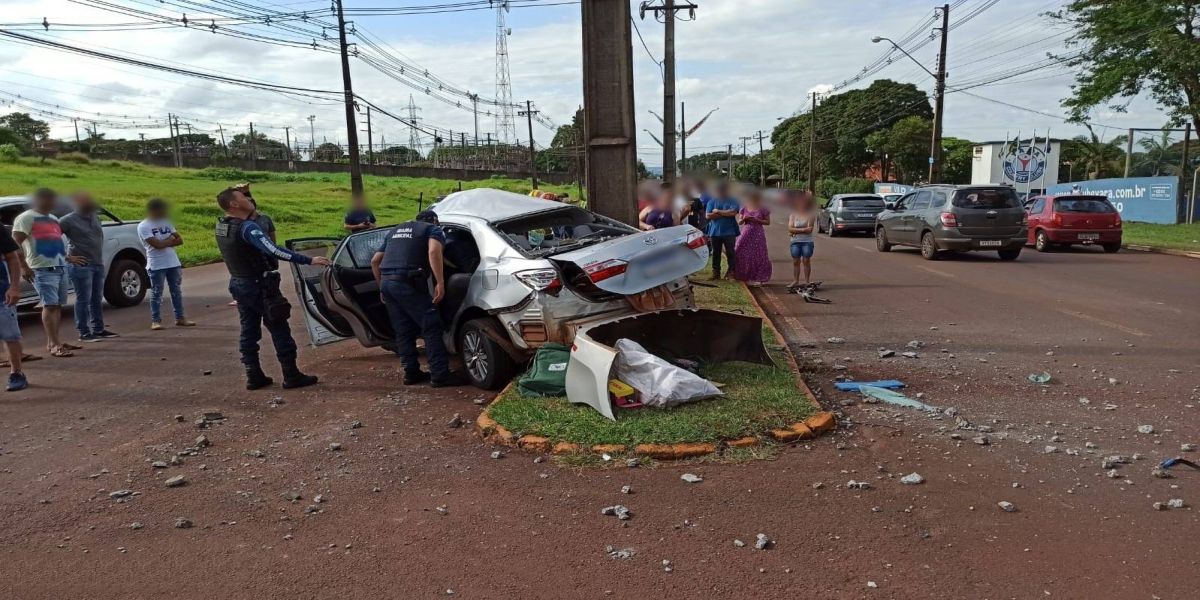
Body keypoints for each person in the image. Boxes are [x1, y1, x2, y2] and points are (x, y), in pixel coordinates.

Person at [216, 186, 330, 390]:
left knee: (249, 330)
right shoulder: (248, 228)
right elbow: (274, 250)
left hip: (239, 283)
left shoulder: (223, 226)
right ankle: (291, 374)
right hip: (259, 285)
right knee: (279, 327)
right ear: (234, 204)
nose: (249, 198)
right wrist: (308, 259)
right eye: (244, 196)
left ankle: (253, 374)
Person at [370, 210, 462, 387]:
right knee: (431, 325)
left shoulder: (396, 230)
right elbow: (434, 251)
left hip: (388, 283)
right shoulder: (432, 230)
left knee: (403, 331)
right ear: (435, 221)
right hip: (408, 283)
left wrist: (381, 286)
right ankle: (440, 375)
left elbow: (375, 261)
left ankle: (411, 373)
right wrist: (440, 283)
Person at [12, 188, 77, 358]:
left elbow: (55, 242)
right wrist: (23, 266)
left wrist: (67, 258)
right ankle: (55, 344)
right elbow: (15, 244)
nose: (53, 203)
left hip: (60, 266)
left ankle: (54, 341)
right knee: (49, 305)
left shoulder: (53, 219)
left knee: (57, 305)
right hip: (42, 268)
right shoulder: (26, 218)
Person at [60, 191, 118, 342]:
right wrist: (67, 258)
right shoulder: (67, 220)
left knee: (96, 298)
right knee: (83, 299)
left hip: (98, 264)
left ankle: (98, 329)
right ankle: (84, 332)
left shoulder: (95, 217)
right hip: (81, 266)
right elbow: (50, 240)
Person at [138, 198, 195, 330]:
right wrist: (170, 240)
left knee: (176, 291)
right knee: (157, 292)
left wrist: (165, 242)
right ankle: (156, 320)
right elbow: (157, 245)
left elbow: (180, 240)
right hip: (156, 264)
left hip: (172, 262)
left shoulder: (166, 222)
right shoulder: (144, 225)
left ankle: (180, 318)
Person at [0, 227, 28, 390]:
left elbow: (12, 256)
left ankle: (16, 373)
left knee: (10, 335)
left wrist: (15, 287)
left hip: (1, 294)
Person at [734, 188, 772, 286]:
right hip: (746, 232)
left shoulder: (763, 208)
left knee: (759, 254)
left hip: (758, 233)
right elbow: (739, 221)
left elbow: (767, 222)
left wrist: (758, 220)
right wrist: (745, 218)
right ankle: (743, 275)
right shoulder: (744, 207)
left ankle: (758, 277)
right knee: (740, 250)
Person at [704, 182, 741, 280]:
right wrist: (725, 213)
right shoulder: (712, 201)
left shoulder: (733, 200)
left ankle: (731, 272)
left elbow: (733, 213)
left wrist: (717, 211)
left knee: (730, 252)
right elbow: (708, 215)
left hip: (729, 231)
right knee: (716, 252)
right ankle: (716, 273)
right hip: (715, 231)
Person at [787, 190, 818, 289]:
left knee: (806, 260)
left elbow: (809, 230)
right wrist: (803, 229)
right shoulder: (793, 215)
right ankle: (796, 280)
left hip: (807, 241)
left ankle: (807, 281)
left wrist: (794, 231)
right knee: (796, 261)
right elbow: (790, 228)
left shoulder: (810, 215)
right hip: (795, 242)